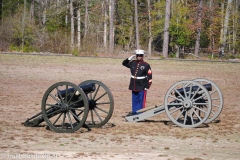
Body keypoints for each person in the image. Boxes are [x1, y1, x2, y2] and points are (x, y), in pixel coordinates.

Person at [122, 49, 152, 115]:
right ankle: (134, 113)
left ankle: (140, 114)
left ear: (143, 56)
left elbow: (149, 76)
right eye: (137, 55)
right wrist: (129, 59)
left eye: (140, 55)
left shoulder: (146, 65)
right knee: (134, 100)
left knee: (141, 101)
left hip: (142, 85)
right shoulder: (132, 63)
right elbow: (124, 63)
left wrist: (147, 86)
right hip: (134, 84)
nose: (139, 56)